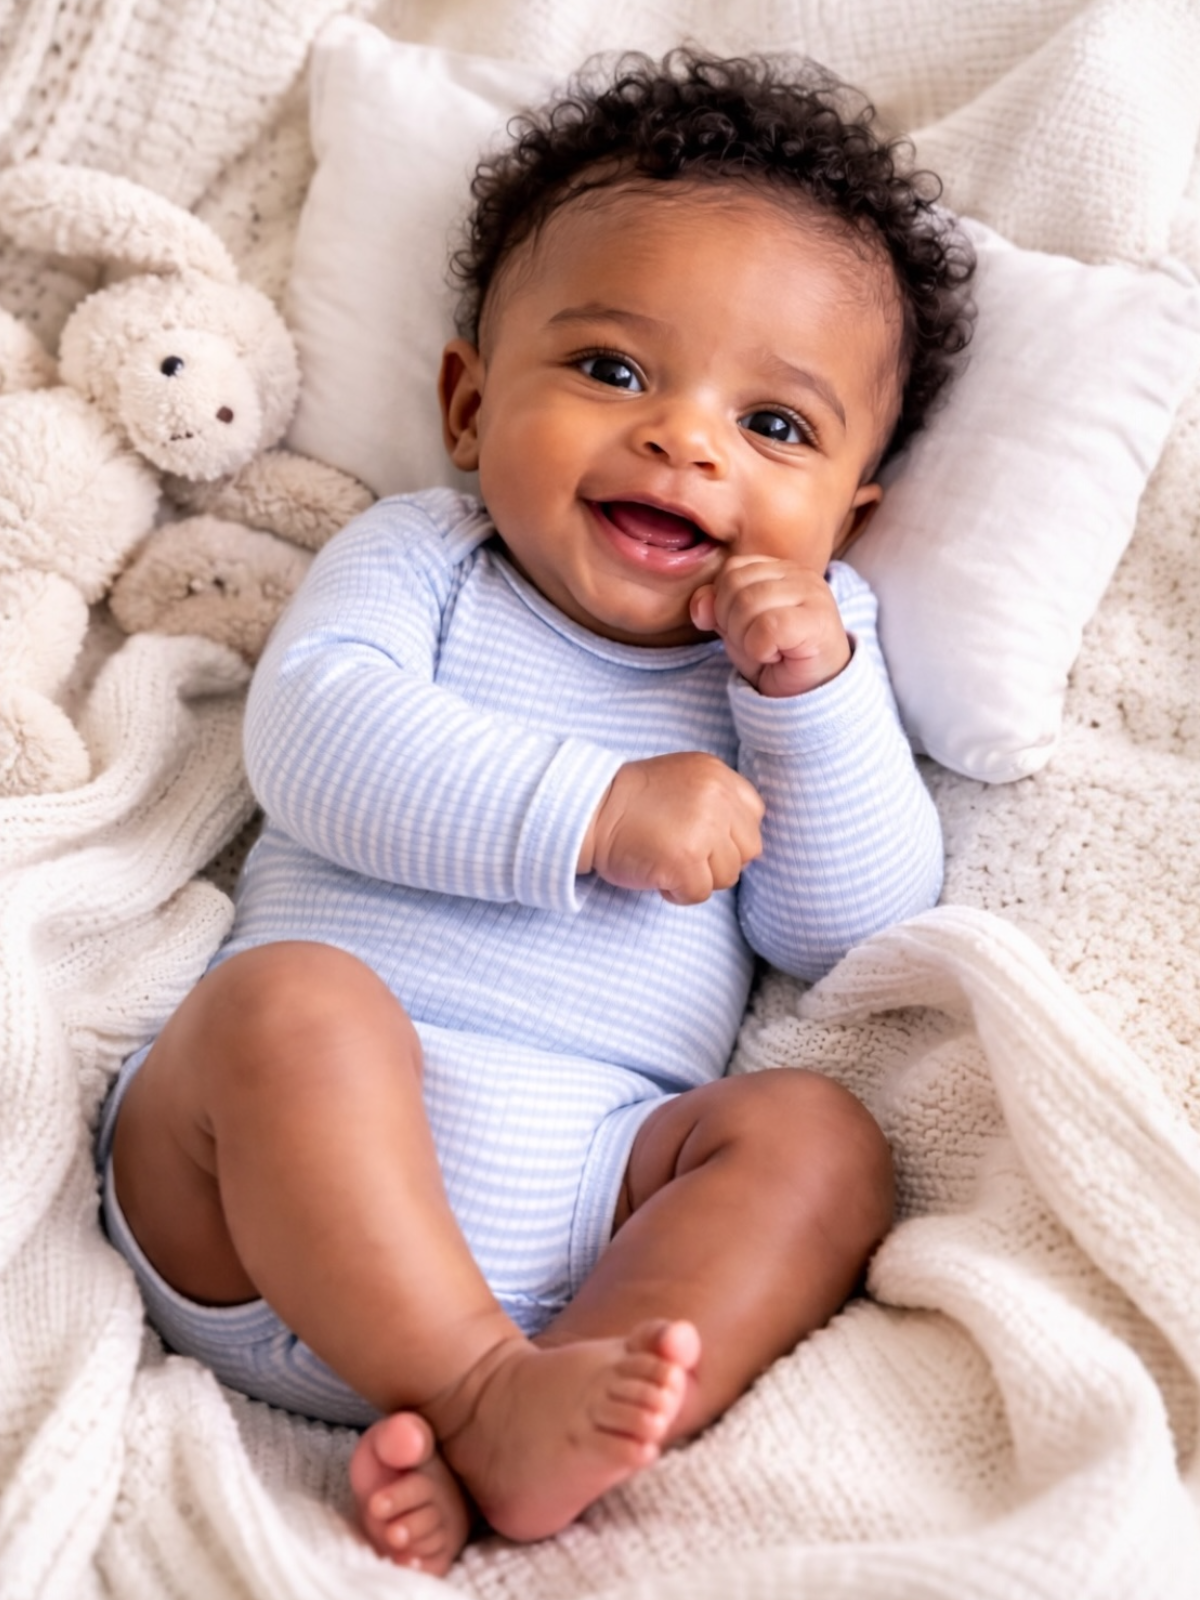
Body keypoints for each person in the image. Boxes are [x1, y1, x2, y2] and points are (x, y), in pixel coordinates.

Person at [98, 49, 974, 1576]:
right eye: (616, 372)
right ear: (467, 401)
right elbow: (313, 743)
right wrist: (597, 806)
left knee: (824, 1139)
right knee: (284, 1004)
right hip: (252, 1205)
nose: (686, 439)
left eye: (776, 428)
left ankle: (537, 1420)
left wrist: (811, 700)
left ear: (851, 519)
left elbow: (849, 932)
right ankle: (478, 1392)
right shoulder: (426, 560)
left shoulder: (806, 662)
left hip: (587, 1227)